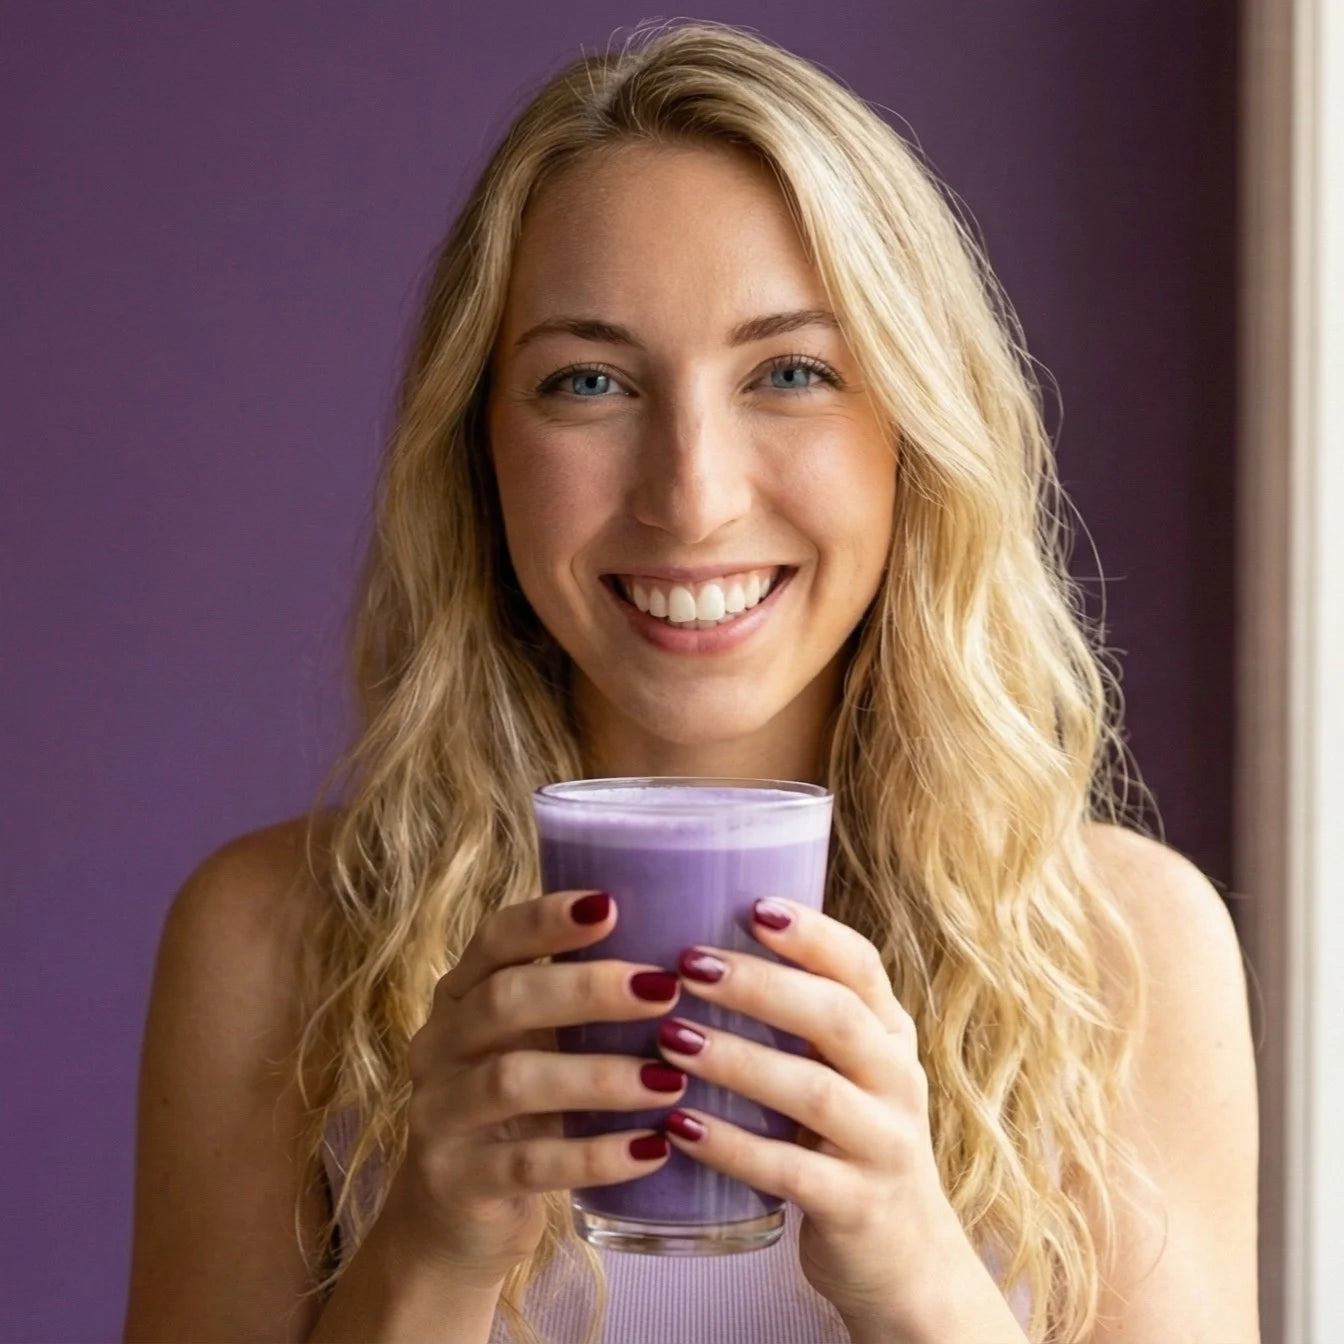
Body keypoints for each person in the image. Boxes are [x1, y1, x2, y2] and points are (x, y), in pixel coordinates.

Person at [122, 18, 1259, 1344]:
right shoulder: (272, 944)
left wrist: (913, 1271)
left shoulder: (1122, 952)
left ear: (914, 428)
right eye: (588, 381)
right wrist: (432, 1246)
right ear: (479, 453)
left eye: (791, 372)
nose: (694, 497)